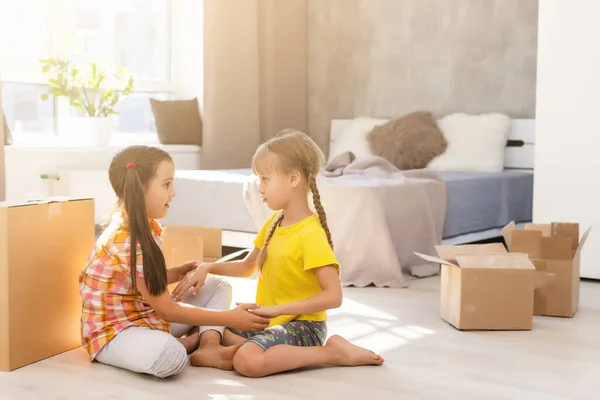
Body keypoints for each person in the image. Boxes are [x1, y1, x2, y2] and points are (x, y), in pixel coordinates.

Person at [173, 130, 384, 378]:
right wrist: (208, 267)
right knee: (219, 323)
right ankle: (215, 346)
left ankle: (333, 352)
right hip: (270, 321)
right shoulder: (275, 221)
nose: (259, 188)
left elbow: (334, 296)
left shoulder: (310, 234)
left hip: (303, 326)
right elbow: (248, 266)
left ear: (293, 178)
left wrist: (279, 309)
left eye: (265, 179)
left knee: (247, 362)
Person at [78, 145, 270, 378]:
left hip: (143, 315)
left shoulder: (144, 228)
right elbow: (167, 309)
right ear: (140, 188)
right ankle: (192, 341)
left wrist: (176, 273)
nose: (174, 192)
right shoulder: (128, 241)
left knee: (217, 286)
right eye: (167, 184)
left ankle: (209, 346)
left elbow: (139, 283)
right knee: (171, 358)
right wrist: (229, 317)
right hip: (115, 332)